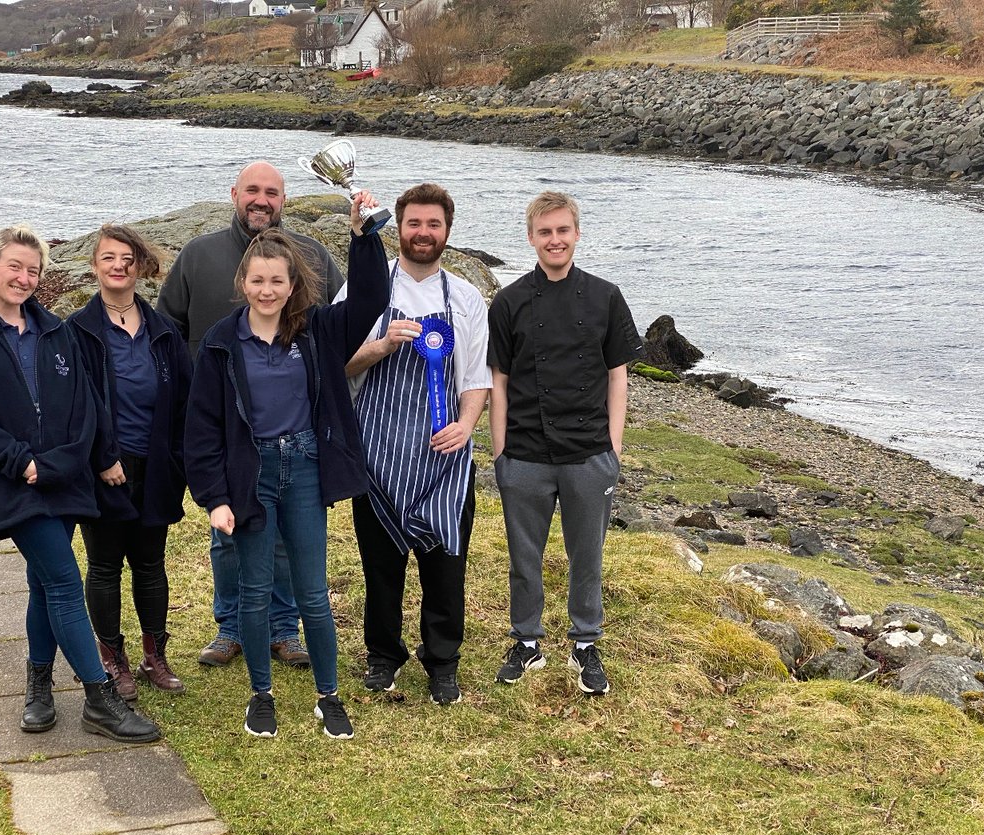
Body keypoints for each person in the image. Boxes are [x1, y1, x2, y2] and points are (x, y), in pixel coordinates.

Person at [0, 224, 160, 742]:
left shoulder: (57, 332)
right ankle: (99, 699)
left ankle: (39, 687)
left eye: (32, 270)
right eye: (13, 266)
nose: (23, 277)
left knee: (43, 584)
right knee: (63, 581)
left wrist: (86, 457)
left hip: (64, 478)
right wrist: (23, 464)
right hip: (13, 483)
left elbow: (86, 404)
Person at [184, 194, 388, 739]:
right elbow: (202, 428)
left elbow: (372, 297)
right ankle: (261, 694)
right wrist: (215, 498)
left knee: (313, 592)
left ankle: (329, 696)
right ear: (243, 284)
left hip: (304, 468)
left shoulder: (318, 330)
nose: (268, 291)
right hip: (250, 476)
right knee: (253, 591)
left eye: (278, 281)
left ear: (293, 285)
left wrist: (363, 235)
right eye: (258, 281)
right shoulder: (222, 343)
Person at [158, 161, 345, 670]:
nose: (261, 200)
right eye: (252, 191)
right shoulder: (198, 255)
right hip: (224, 429)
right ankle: (230, 626)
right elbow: (167, 329)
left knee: (286, 539)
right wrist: (185, 402)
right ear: (234, 195)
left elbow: (341, 328)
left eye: (272, 193)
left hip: (294, 435)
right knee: (228, 535)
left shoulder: (314, 256)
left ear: (285, 200)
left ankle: (285, 630)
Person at [340, 183, 490, 705]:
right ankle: (383, 657)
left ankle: (442, 661)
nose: (423, 233)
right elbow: (339, 365)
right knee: (380, 566)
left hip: (445, 456)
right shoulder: (363, 290)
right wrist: (380, 345)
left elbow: (476, 378)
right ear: (397, 227)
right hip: (378, 452)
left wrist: (467, 425)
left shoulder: (467, 299)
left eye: (434, 225)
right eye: (414, 223)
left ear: (447, 231)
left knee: (446, 563)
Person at [487, 192, 643, 696]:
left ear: (576, 233)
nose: (554, 240)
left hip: (588, 454)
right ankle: (527, 641)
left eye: (562, 230)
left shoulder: (605, 297)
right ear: (531, 237)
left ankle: (585, 644)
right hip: (526, 455)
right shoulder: (509, 301)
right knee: (523, 556)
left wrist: (612, 451)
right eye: (544, 232)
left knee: (587, 556)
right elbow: (499, 382)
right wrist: (500, 454)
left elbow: (618, 377)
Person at [68, 224, 193, 702]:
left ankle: (154, 657)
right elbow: (73, 405)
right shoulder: (77, 330)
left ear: (140, 266)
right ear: (94, 265)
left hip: (156, 466)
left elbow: (184, 400)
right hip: (103, 470)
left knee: (150, 564)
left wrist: (177, 462)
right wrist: (102, 457)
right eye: (108, 258)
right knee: (103, 567)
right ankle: (112, 661)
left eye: (127, 258)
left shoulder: (163, 331)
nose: (118, 266)